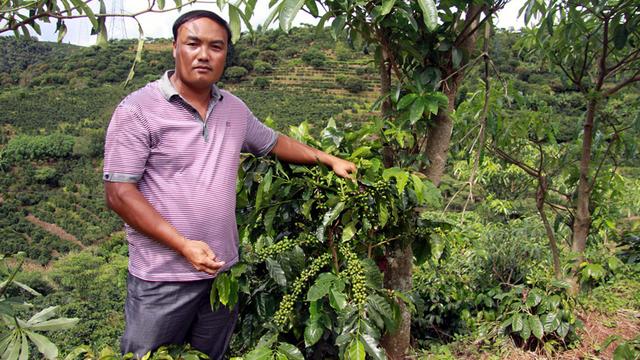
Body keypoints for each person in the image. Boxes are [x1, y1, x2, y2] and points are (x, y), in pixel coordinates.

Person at [102, 9, 356, 360]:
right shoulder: (137, 110)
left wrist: (328, 159)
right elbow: (119, 194)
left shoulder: (233, 109)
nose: (203, 54)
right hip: (161, 278)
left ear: (226, 55)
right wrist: (183, 245)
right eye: (193, 43)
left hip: (222, 274)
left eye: (216, 47)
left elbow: (273, 142)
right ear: (175, 47)